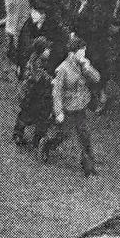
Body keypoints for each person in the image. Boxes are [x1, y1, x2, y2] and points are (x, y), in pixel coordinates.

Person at [39, 36, 101, 177]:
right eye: (82, 51)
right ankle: (46, 145)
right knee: (63, 134)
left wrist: (87, 67)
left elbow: (97, 79)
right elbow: (57, 92)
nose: (84, 54)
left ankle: (88, 167)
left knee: (84, 135)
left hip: (81, 106)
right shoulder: (63, 69)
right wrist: (59, 111)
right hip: (68, 108)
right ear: (73, 52)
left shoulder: (83, 64)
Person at [12, 37, 55, 147]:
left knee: (37, 116)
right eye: (47, 49)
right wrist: (53, 81)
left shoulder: (40, 60)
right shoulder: (36, 62)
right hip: (32, 94)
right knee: (28, 114)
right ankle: (19, 134)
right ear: (41, 51)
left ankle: (35, 138)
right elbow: (39, 77)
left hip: (37, 94)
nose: (49, 51)